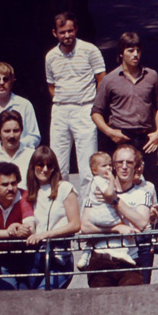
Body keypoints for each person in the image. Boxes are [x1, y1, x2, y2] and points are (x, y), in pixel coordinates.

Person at [91, 32, 158, 205]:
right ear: (121, 53)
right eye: (130, 50)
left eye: (138, 50)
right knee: (120, 184)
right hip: (121, 137)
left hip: (146, 138)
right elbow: (96, 112)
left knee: (154, 182)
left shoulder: (151, 76)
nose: (135, 54)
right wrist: (110, 132)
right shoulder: (110, 80)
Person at [45, 12, 107, 189]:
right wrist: (63, 101)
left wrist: (95, 105)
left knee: (88, 166)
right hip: (60, 111)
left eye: (70, 31)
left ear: (76, 30)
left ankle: (88, 210)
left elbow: (101, 78)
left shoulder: (90, 50)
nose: (67, 35)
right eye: (62, 32)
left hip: (85, 109)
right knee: (58, 165)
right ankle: (62, 209)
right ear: (55, 33)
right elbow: (51, 85)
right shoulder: (50, 57)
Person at [80, 144, 153, 288]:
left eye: (129, 162)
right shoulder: (96, 190)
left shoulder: (142, 194)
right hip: (101, 260)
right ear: (113, 166)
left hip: (129, 261)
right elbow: (85, 226)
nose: (124, 167)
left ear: (136, 166)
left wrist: (114, 200)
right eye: (120, 162)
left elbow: (142, 222)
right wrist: (116, 228)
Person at [24, 147, 80, 290]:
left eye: (49, 165)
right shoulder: (27, 191)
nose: (44, 169)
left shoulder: (65, 188)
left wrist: (44, 235)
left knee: (43, 294)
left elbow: (75, 224)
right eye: (40, 165)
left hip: (59, 255)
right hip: (34, 256)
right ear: (33, 166)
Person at [77, 151, 136, 268]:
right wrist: (112, 180)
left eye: (109, 165)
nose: (108, 168)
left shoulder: (98, 180)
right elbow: (109, 194)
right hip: (102, 215)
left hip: (95, 215)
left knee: (93, 238)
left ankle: (85, 255)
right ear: (94, 170)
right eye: (104, 166)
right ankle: (124, 252)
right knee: (124, 224)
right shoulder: (99, 180)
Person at [0, 162, 36, 290]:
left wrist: (21, 228)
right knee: (7, 292)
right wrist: (9, 232)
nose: (11, 188)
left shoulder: (23, 196)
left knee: (27, 295)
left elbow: (30, 225)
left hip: (23, 255)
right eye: (5, 184)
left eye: (13, 183)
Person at [0, 62, 40, 150]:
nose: (1, 82)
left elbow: (34, 136)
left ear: (12, 81)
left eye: (5, 79)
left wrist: (15, 145)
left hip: (19, 156)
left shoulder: (24, 105)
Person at [0, 109, 34, 178]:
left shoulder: (32, 156)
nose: (12, 135)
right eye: (7, 131)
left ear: (21, 131)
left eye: (16, 131)